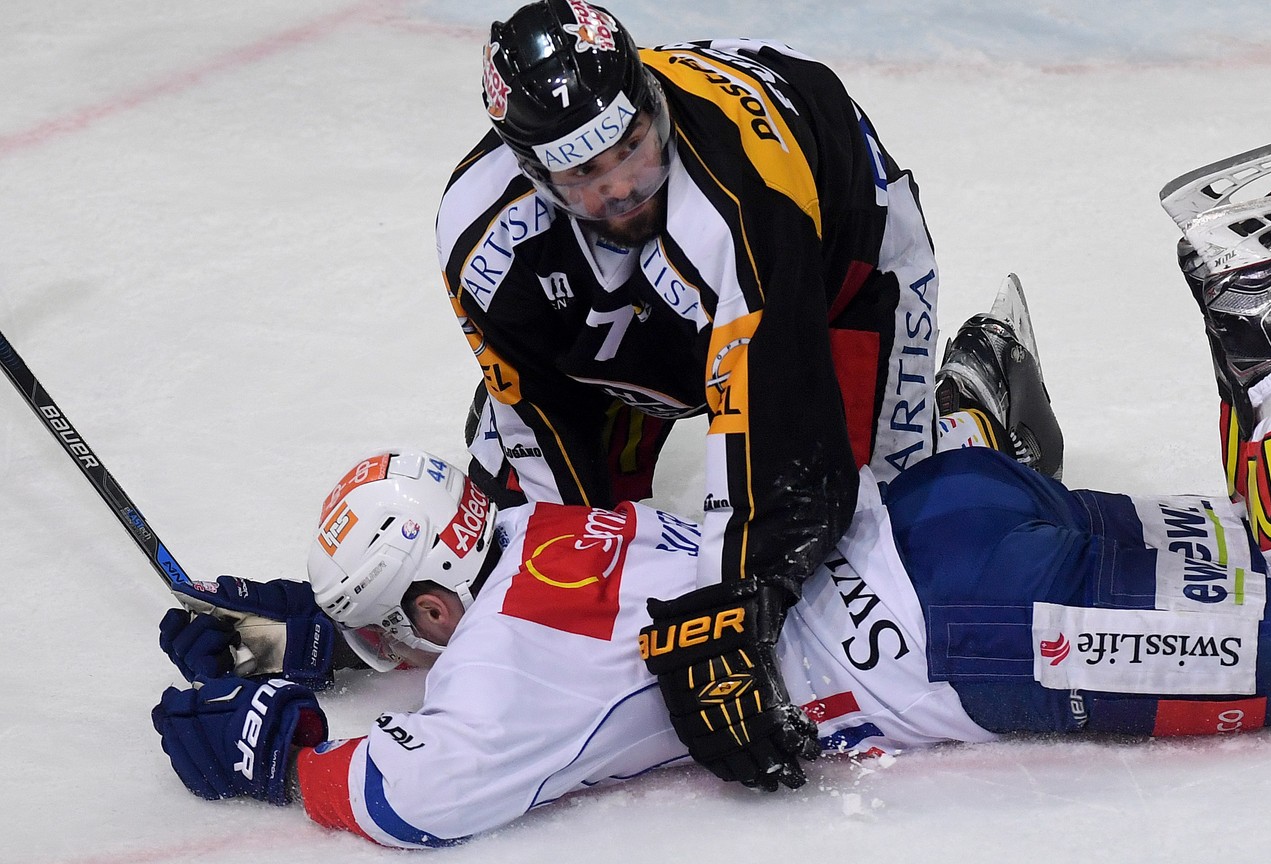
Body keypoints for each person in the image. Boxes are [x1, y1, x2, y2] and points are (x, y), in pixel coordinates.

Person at [150, 126, 1271, 848]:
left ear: (435, 611)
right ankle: (999, 400)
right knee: (1256, 568)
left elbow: (403, 794)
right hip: (927, 507)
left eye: (397, 631)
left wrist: (275, 753)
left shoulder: (499, 671)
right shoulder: (537, 507)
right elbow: (478, 590)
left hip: (975, 633)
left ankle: (1270, 345)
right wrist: (319, 632)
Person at [429, 0, 1067, 784]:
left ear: (650, 106)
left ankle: (979, 402)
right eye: (586, 173)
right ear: (533, 174)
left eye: (633, 146)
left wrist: (731, 610)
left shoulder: (739, 202)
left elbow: (784, 448)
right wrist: (559, 594)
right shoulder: (479, 234)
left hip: (834, 268)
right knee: (555, 534)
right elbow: (538, 430)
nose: (625, 186)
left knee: (887, 539)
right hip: (657, 312)